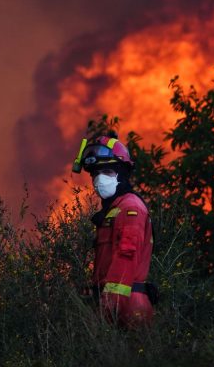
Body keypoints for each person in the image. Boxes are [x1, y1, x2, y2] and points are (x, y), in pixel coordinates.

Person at [72, 133, 155, 327]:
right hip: (116, 304)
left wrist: (108, 307)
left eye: (108, 172)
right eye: (95, 173)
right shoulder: (114, 209)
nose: (99, 179)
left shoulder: (130, 209)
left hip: (127, 308)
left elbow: (126, 258)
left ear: (122, 173)